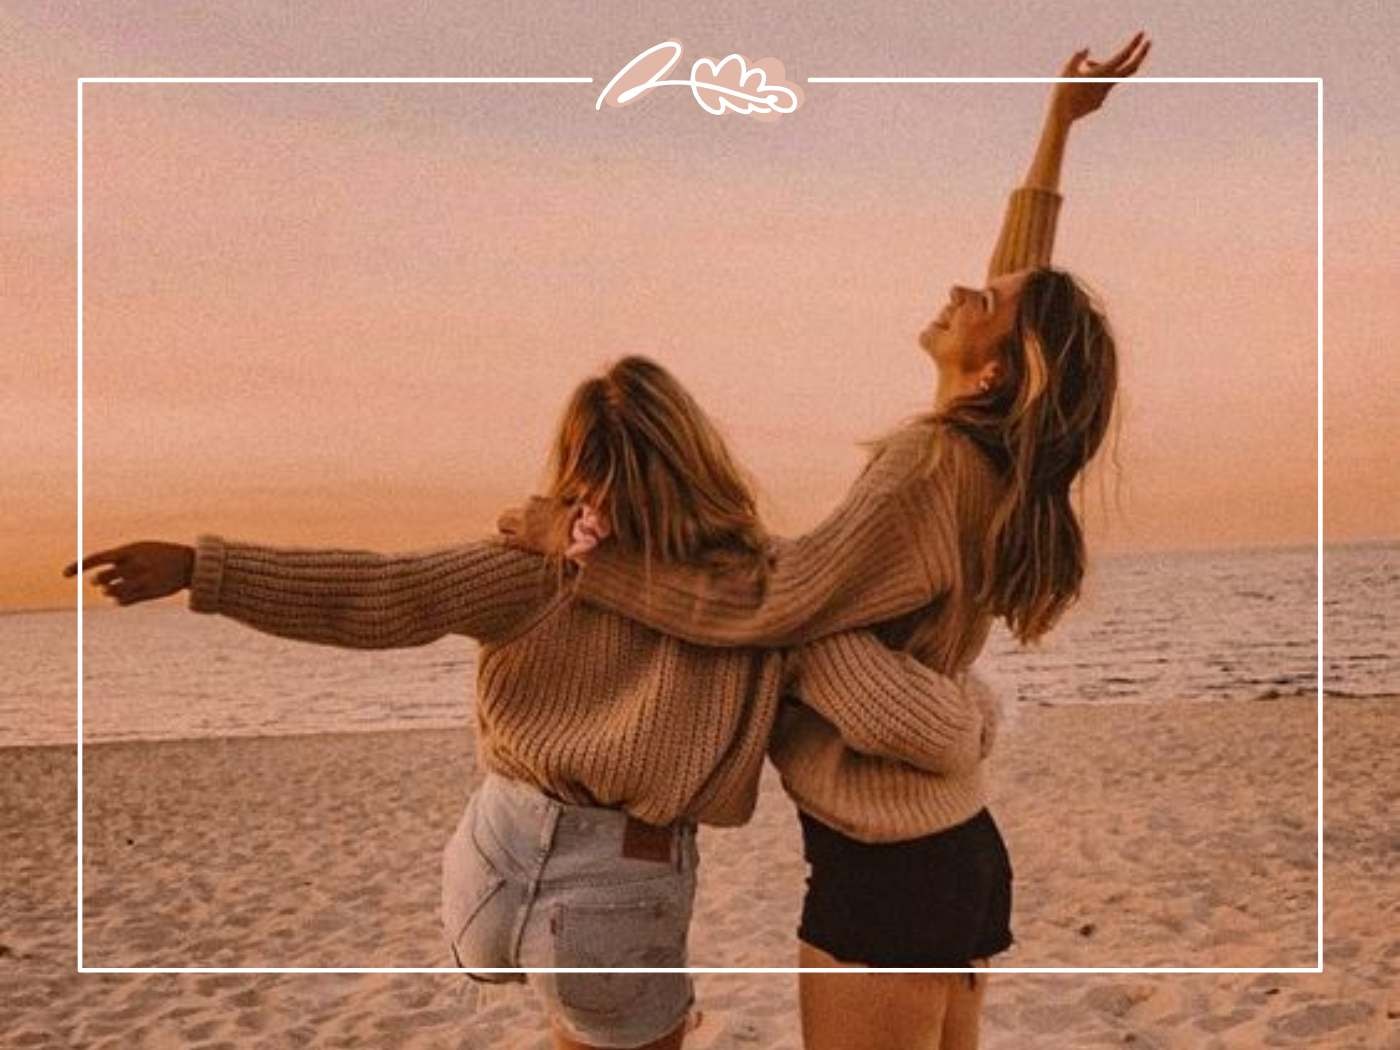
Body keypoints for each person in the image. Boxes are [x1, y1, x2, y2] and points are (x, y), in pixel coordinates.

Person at [500, 33, 1149, 1050]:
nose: (964, 289)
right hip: (950, 844)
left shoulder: (929, 466)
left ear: (993, 374)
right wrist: (1054, 131)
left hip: (886, 867)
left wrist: (583, 553)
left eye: (986, 308)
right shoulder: (998, 473)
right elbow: (1020, 278)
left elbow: (765, 602)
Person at [65, 355, 996, 1050]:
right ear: (698, 456)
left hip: (488, 870)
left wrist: (205, 568)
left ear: (576, 459)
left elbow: (382, 593)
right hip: (611, 894)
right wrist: (976, 714)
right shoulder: (757, 598)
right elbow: (894, 716)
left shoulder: (532, 565)